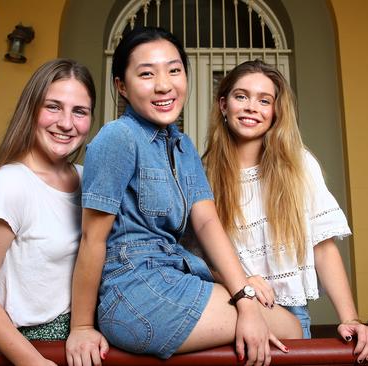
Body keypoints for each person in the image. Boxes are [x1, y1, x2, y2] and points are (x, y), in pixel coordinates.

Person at [65, 27, 301, 366]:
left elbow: (206, 222)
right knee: (288, 328)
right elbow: (92, 239)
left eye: (174, 70)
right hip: (135, 291)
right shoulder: (116, 138)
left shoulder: (183, 146)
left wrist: (244, 298)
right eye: (146, 73)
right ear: (121, 85)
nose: (164, 85)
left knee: (281, 325)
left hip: (176, 273)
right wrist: (83, 326)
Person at [201, 59, 368, 363]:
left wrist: (351, 319)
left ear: (276, 112)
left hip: (288, 316)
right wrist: (240, 282)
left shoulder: (298, 164)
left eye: (264, 100)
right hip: (228, 311)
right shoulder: (202, 172)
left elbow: (323, 248)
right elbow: (192, 259)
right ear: (223, 104)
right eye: (241, 96)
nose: (251, 107)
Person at [0, 58, 96, 366]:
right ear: (30, 110)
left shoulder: (90, 180)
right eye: (53, 107)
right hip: (40, 348)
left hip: (88, 342)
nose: (67, 123)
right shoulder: (8, 186)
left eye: (79, 111)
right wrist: (31, 362)